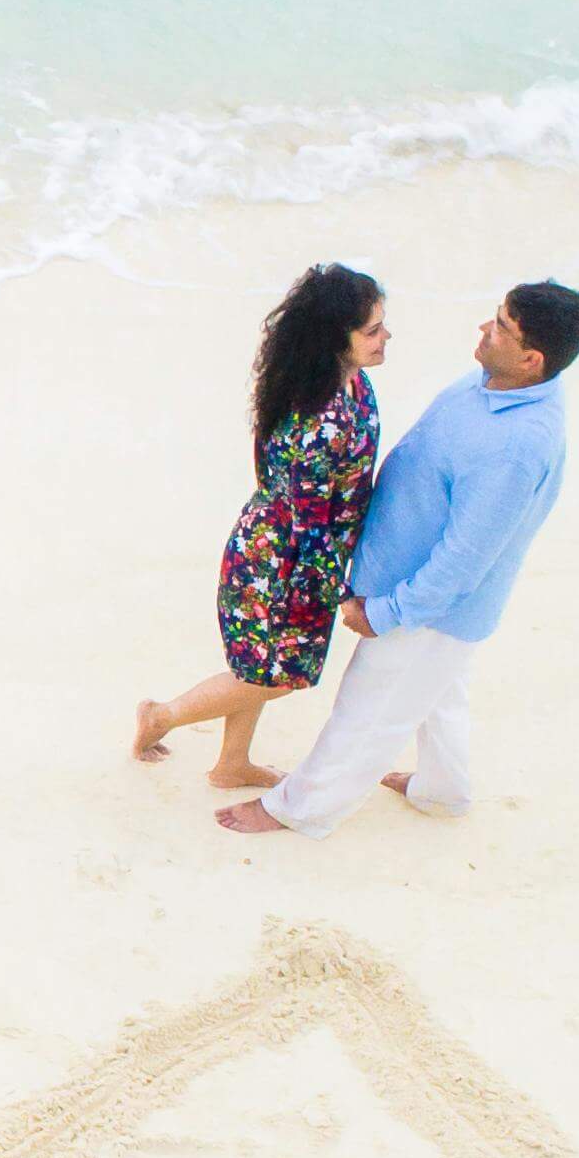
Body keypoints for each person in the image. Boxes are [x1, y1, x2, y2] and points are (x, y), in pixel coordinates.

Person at [217, 280, 579, 839]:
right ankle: (444, 791)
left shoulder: (519, 445)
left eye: (501, 327)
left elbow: (465, 558)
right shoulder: (491, 383)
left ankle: (299, 809)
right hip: (409, 586)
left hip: (425, 606)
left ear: (531, 358)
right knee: (439, 697)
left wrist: (388, 611)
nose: (485, 329)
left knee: (369, 711)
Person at [136, 264, 387, 790]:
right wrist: (337, 589)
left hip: (275, 544)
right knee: (276, 677)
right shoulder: (321, 419)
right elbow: (310, 520)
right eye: (372, 330)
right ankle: (164, 715)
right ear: (334, 339)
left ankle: (231, 764)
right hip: (286, 562)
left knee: (261, 666)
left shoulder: (345, 382)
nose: (385, 337)